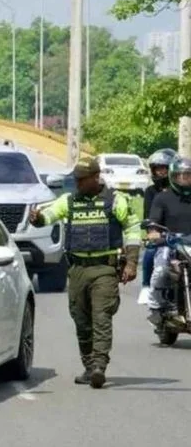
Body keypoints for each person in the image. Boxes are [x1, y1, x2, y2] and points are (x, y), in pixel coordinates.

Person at [28, 156, 141, 388]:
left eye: (82, 179)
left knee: (101, 316)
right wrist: (37, 218)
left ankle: (99, 366)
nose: (78, 183)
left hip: (104, 269)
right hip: (78, 269)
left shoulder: (116, 201)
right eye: (76, 179)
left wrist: (131, 263)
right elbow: (48, 216)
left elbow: (132, 229)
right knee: (81, 320)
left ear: (96, 177)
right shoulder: (68, 201)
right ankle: (89, 366)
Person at [145, 156, 191, 321]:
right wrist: (154, 232)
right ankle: (156, 306)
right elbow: (153, 222)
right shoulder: (162, 198)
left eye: (187, 175)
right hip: (170, 244)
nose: (183, 179)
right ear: (172, 177)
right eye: (179, 176)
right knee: (161, 269)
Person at [140, 149, 178, 303]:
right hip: (162, 234)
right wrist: (152, 231)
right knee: (150, 252)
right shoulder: (150, 191)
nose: (160, 172)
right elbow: (148, 217)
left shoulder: (182, 191)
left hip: (183, 234)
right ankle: (146, 287)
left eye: (164, 168)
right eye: (157, 168)